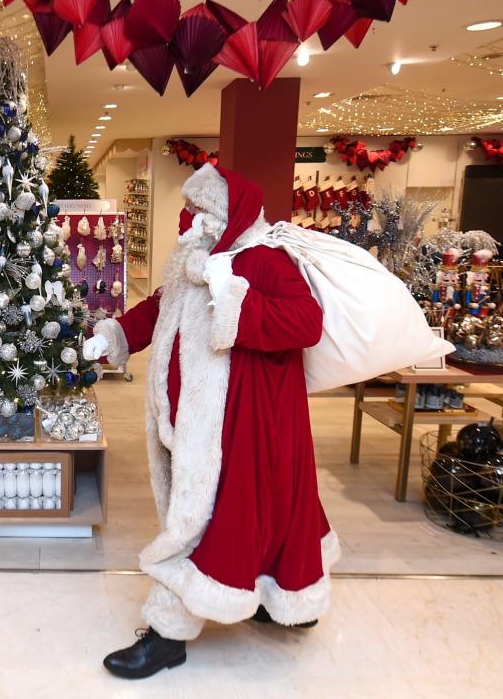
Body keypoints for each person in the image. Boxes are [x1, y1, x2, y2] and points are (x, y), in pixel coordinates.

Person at [84, 165, 338, 680]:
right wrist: (114, 338)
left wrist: (233, 294)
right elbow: (162, 308)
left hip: (244, 425)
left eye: (202, 212)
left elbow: (305, 323)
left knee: (205, 519)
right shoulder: (195, 260)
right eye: (191, 211)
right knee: (258, 513)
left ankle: (168, 632)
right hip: (199, 422)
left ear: (227, 214)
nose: (191, 221)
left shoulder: (265, 260)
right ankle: (278, 595)